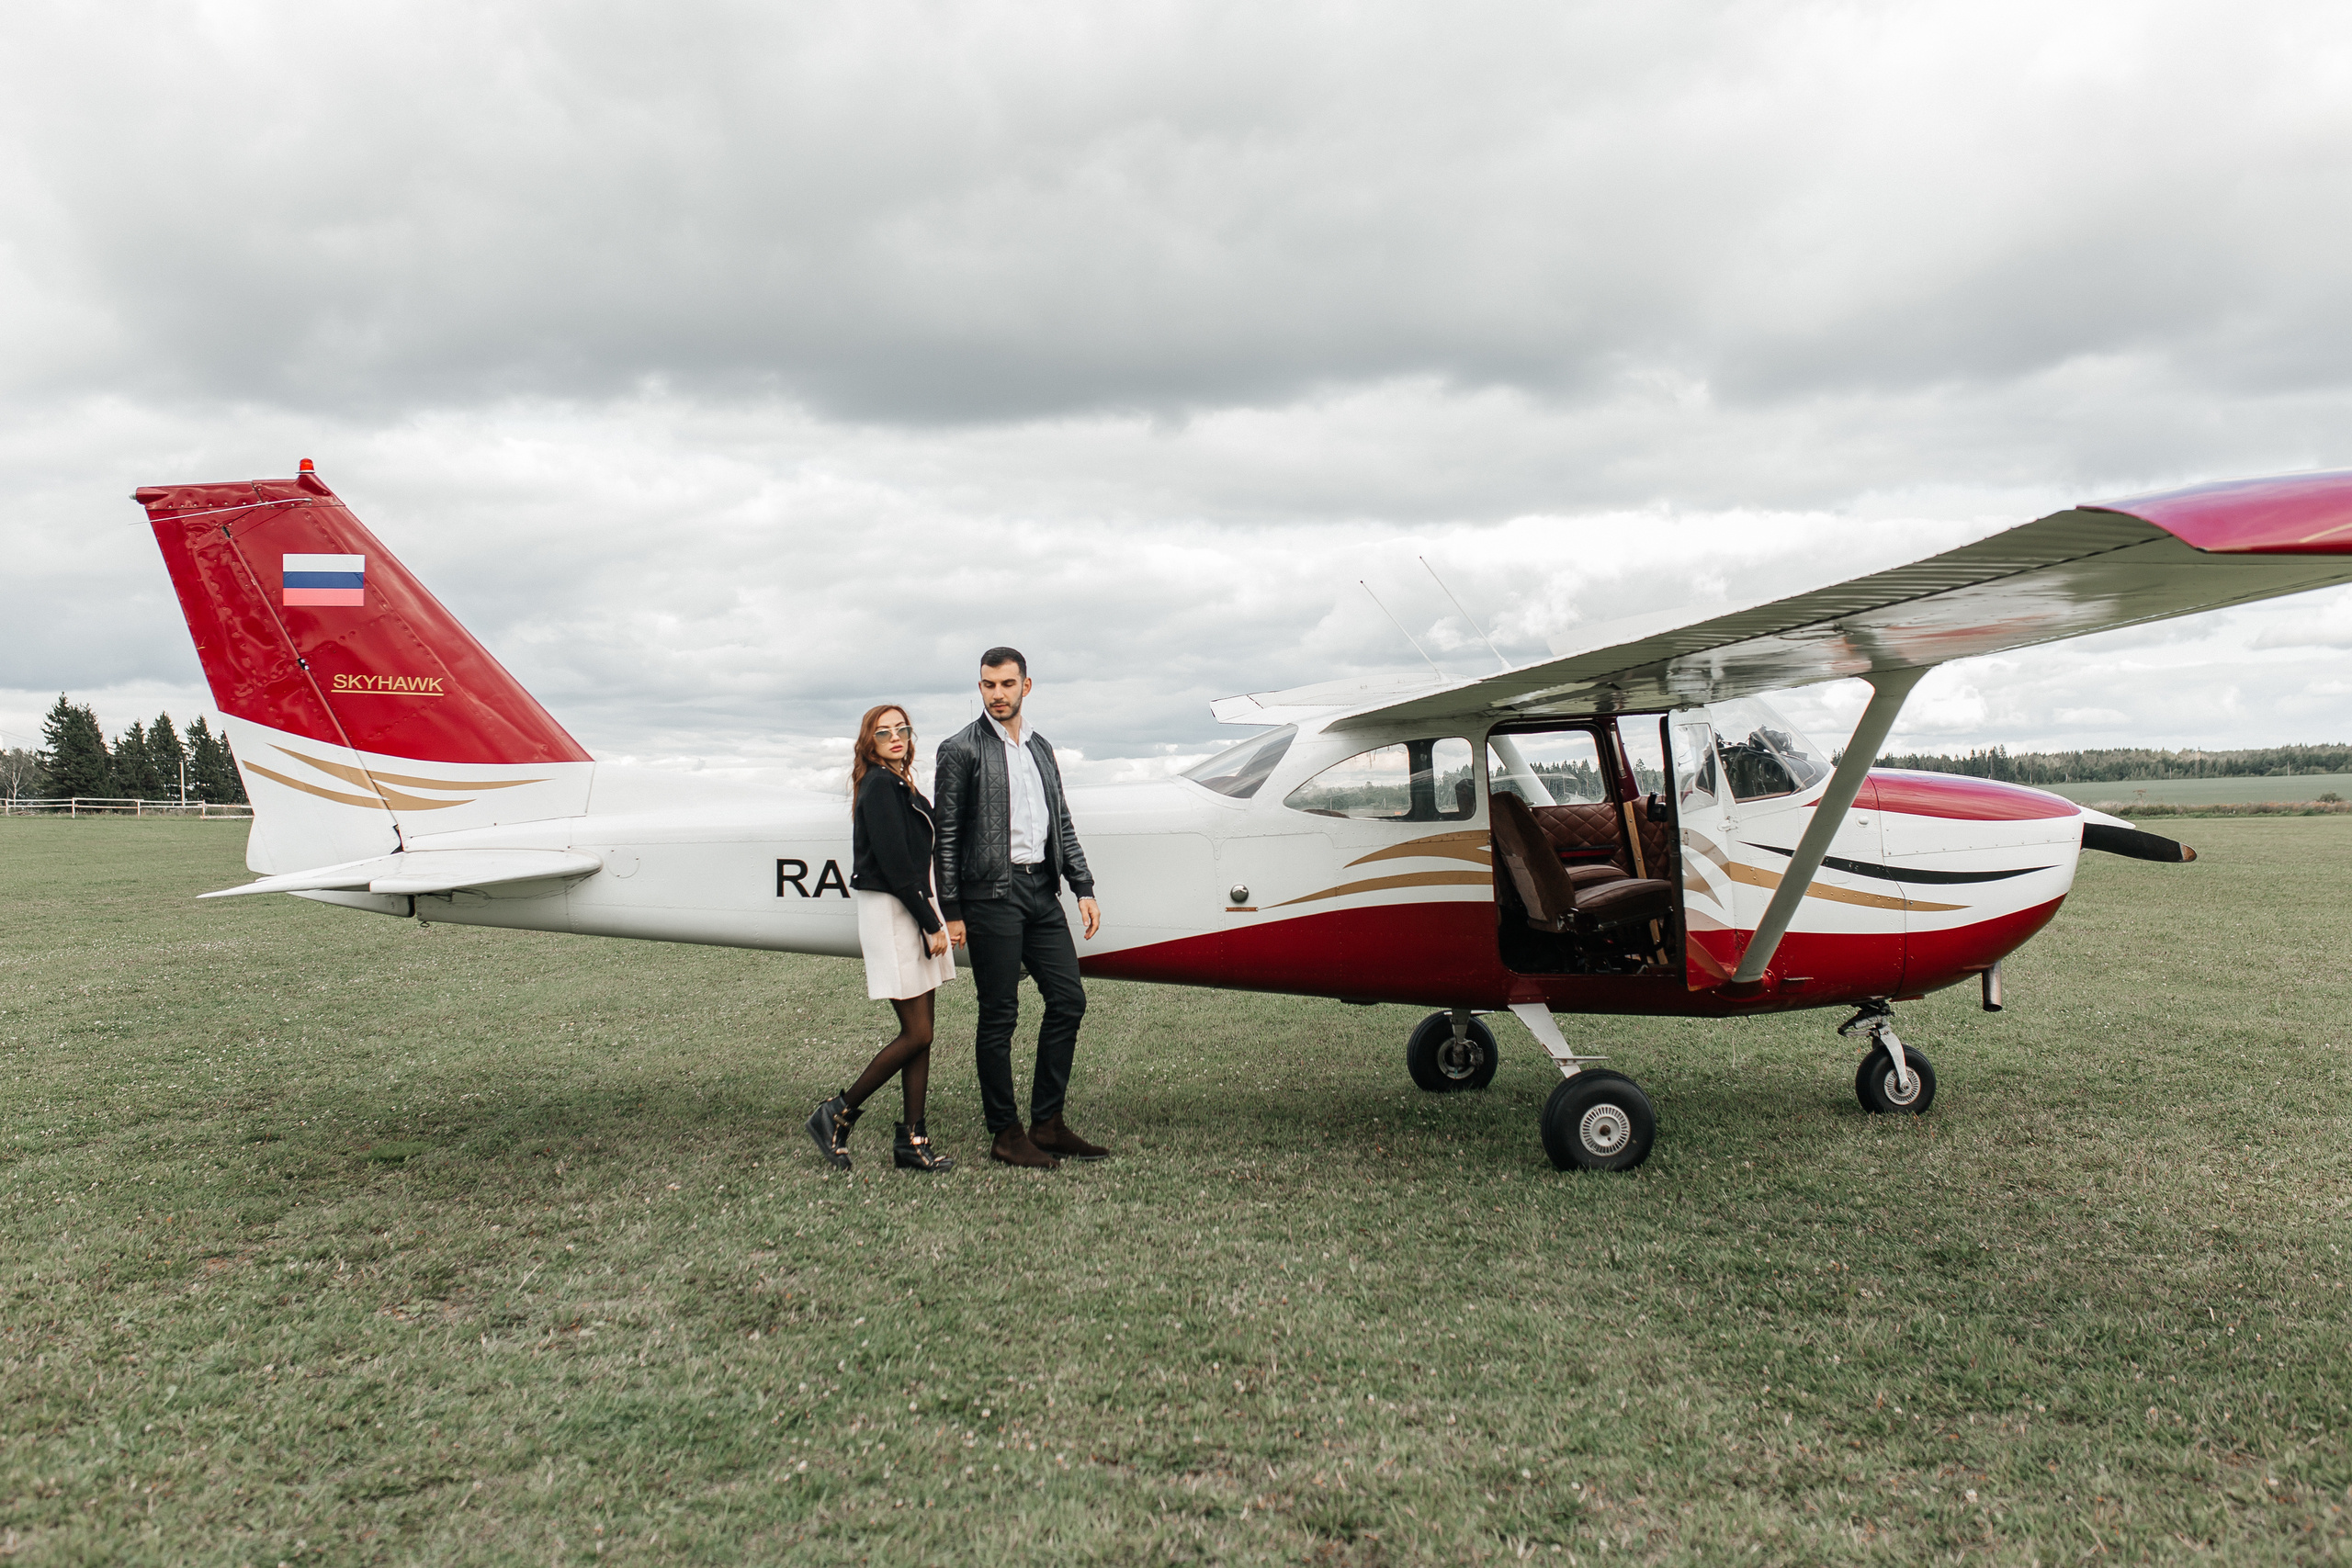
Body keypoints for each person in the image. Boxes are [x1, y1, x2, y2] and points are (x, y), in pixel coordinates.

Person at [935, 648, 1107, 1168]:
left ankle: (1048, 1124)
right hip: (991, 896)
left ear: (1026, 687)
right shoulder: (959, 749)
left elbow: (1063, 822)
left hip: (1041, 891)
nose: (998, 694)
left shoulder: (1041, 747)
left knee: (1068, 999)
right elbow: (946, 838)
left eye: (1008, 685)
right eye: (989, 685)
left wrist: (1083, 886)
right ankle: (1006, 1134)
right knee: (1000, 1015)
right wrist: (953, 910)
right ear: (981, 687)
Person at [807, 705, 959, 1173]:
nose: (895, 737)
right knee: (917, 1031)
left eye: (902, 730)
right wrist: (930, 922)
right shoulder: (877, 785)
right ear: (869, 741)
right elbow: (895, 865)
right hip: (895, 910)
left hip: (911, 905)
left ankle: (913, 1140)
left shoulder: (899, 782)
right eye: (884, 732)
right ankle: (836, 1112)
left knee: (921, 1037)